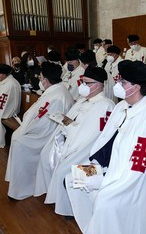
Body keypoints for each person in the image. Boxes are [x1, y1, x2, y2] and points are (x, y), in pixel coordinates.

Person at [66, 60, 146, 234]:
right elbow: (107, 140)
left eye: (122, 82)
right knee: (72, 178)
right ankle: (94, 226)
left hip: (132, 180)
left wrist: (112, 184)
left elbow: (139, 168)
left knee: (105, 201)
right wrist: (95, 164)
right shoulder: (122, 106)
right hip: (109, 168)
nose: (117, 85)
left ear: (136, 87)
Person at [38, 66, 115, 217]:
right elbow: (76, 123)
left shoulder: (105, 105)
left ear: (98, 85)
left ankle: (68, 209)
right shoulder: (82, 101)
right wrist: (65, 122)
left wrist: (70, 129)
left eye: (86, 83)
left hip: (86, 151)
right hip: (72, 141)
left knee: (62, 172)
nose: (82, 86)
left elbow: (93, 135)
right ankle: (56, 197)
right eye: (82, 82)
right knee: (45, 156)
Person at [5, 62, 74, 200]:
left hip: (48, 136)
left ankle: (23, 188)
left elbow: (42, 121)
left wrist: (26, 128)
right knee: (17, 138)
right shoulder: (56, 91)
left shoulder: (57, 95)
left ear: (46, 79)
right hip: (45, 130)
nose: (40, 80)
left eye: (41, 77)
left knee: (19, 143)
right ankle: (19, 185)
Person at [0, 64, 21, 148]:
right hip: (5, 106)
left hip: (11, 110)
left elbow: (7, 102)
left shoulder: (12, 84)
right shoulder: (4, 81)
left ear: (4, 74)